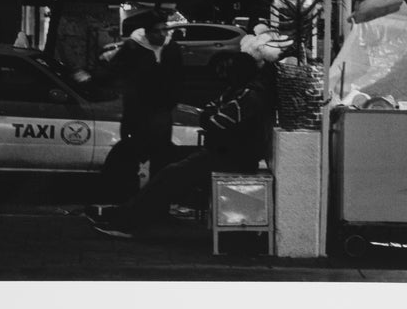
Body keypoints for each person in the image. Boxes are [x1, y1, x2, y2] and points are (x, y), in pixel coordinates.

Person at [88, 37, 276, 239]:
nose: (224, 74)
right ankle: (134, 213)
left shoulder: (248, 95)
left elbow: (215, 122)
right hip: (223, 152)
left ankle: (128, 222)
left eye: (229, 70)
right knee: (168, 160)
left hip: (233, 158)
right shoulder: (238, 91)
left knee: (172, 173)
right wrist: (211, 119)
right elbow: (210, 114)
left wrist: (211, 119)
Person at [83, 8, 185, 194]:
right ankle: (126, 194)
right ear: (147, 33)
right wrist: (92, 78)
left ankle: (156, 197)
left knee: (161, 156)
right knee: (132, 152)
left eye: (165, 30)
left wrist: (171, 101)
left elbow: (178, 77)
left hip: (161, 112)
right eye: (157, 31)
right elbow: (114, 72)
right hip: (137, 111)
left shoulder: (171, 48)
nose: (162, 35)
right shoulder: (133, 48)